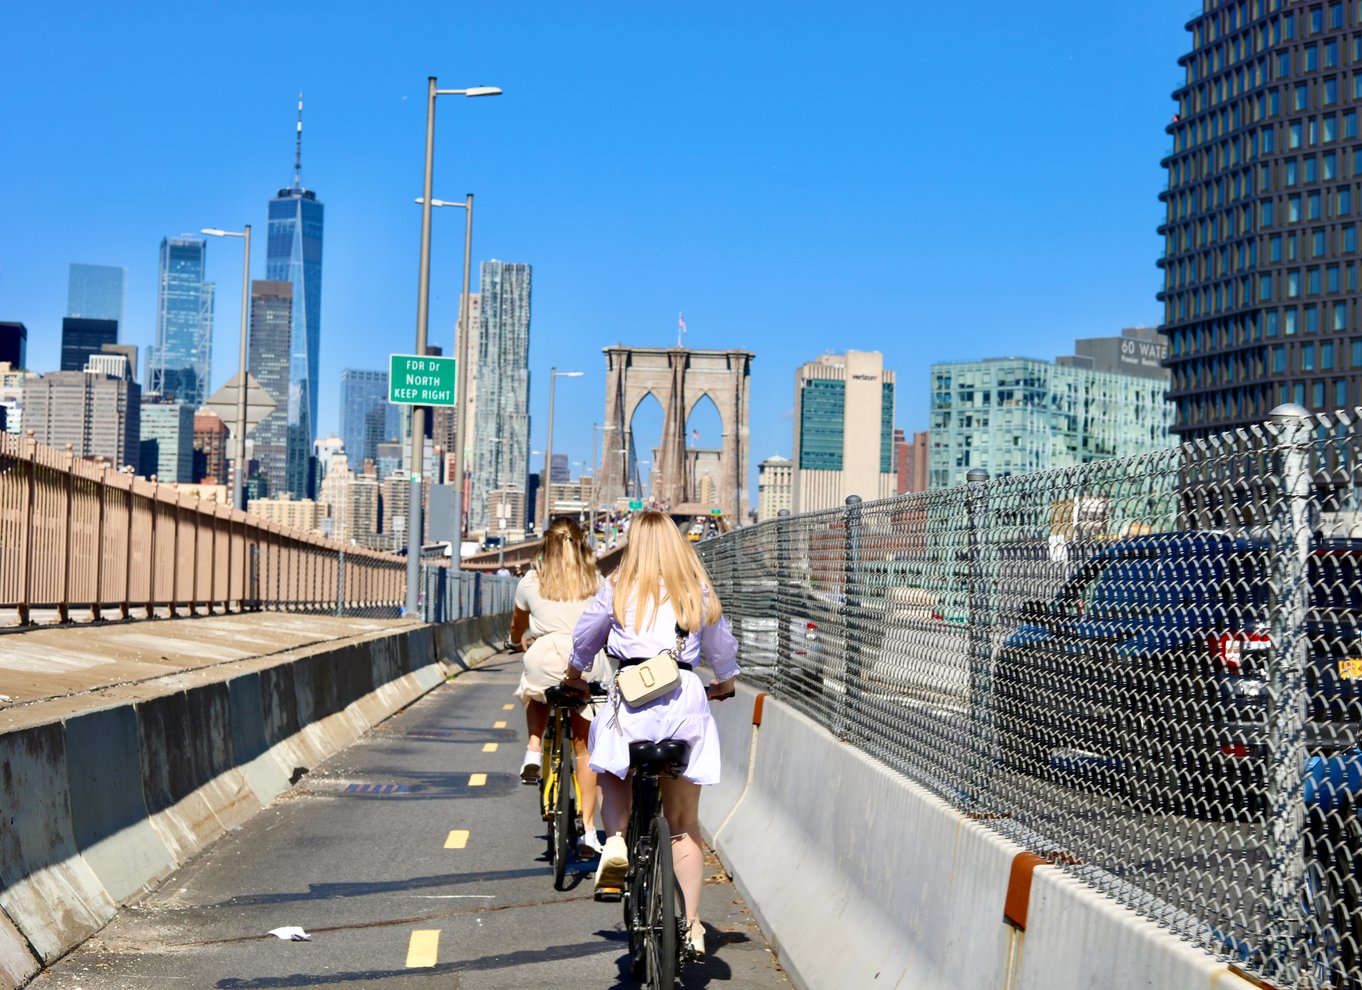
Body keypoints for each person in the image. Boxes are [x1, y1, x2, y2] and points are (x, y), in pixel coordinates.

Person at [563, 510, 739, 961]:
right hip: (684, 706)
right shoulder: (696, 591)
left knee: (613, 768)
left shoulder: (618, 587)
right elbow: (722, 650)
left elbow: (586, 637)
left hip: (631, 703)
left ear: (634, 544)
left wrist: (575, 675)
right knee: (683, 826)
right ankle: (694, 926)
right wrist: (724, 683)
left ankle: (617, 841)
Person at [509, 517, 606, 852]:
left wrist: (516, 638)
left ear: (545, 546)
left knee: (536, 692)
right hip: (587, 662)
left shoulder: (532, 581)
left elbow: (517, 623)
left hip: (546, 655)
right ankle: (590, 830)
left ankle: (534, 749)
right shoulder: (597, 580)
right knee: (585, 749)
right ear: (582, 544)